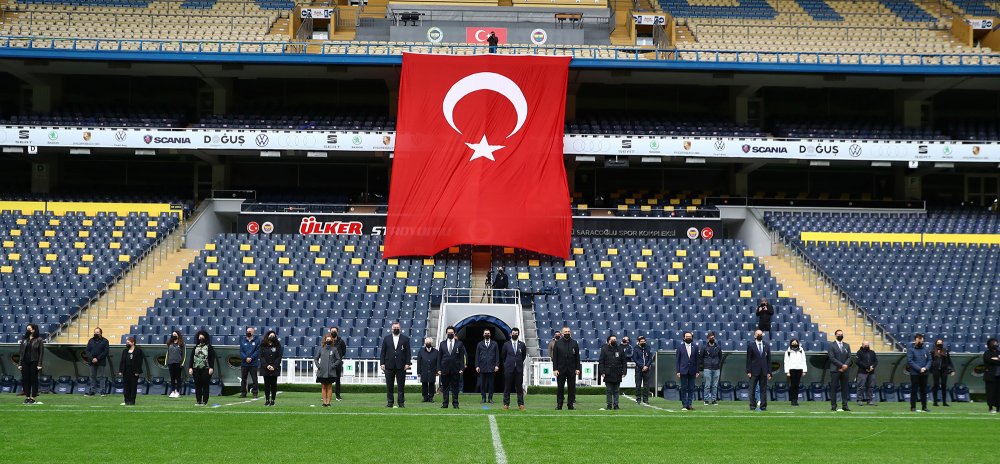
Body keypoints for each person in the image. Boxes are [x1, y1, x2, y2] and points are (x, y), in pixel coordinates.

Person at [379, 322, 411, 408]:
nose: (396, 329)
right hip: (389, 365)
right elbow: (383, 352)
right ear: (391, 329)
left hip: (401, 366)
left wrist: (408, 363)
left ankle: (401, 403)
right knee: (389, 386)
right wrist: (382, 363)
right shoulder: (386, 339)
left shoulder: (405, 339)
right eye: (394, 327)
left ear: (400, 328)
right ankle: (390, 402)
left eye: (397, 327)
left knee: (401, 386)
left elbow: (408, 352)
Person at [551, 326, 581, 410]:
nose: (567, 333)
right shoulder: (557, 343)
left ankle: (570, 404)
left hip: (571, 369)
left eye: (568, 331)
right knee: (560, 388)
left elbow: (577, 357)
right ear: (562, 333)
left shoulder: (574, 343)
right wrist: (555, 369)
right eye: (566, 331)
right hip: (560, 369)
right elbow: (555, 358)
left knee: (571, 388)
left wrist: (577, 368)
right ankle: (559, 404)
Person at [437, 326, 466, 409]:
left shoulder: (459, 343)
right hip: (444, 369)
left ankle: (455, 404)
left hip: (456, 369)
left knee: (455, 387)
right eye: (448, 333)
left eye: (451, 333)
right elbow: (439, 357)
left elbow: (461, 357)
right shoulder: (442, 343)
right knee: (445, 387)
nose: (450, 334)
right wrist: (438, 369)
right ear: (446, 333)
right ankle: (445, 404)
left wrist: (462, 368)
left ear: (454, 333)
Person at [17, 323, 44, 405]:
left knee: (33, 379)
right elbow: (21, 352)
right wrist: (20, 364)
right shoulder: (24, 339)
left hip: (34, 361)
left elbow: (41, 353)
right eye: (27, 329)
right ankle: (27, 397)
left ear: (34, 330)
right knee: (25, 379)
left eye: (29, 329)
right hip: (25, 362)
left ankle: (33, 397)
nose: (28, 330)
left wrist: (39, 364)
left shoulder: (39, 339)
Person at [188, 330, 216, 406]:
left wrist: (211, 368)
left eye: (202, 336)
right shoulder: (195, 347)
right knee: (197, 385)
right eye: (199, 336)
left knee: (205, 385)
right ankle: (198, 401)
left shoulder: (209, 347)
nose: (200, 337)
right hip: (196, 369)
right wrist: (190, 367)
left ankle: (205, 401)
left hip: (206, 369)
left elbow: (212, 358)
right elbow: (191, 358)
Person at [501, 327, 527, 410]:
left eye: (516, 333)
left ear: (518, 334)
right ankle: (506, 404)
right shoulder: (506, 344)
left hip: (518, 369)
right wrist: (507, 364)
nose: (514, 334)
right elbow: (503, 356)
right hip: (509, 369)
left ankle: (521, 404)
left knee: (519, 387)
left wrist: (518, 363)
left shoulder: (522, 345)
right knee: (507, 387)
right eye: (513, 333)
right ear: (510, 334)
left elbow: (523, 356)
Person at [599, 335, 626, 410]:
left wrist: (624, 372)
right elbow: (601, 362)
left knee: (616, 391)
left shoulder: (620, 349)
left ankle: (616, 405)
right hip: (608, 373)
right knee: (609, 391)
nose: (614, 341)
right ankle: (609, 405)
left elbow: (624, 361)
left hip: (617, 373)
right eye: (612, 339)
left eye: (615, 339)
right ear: (609, 341)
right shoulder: (604, 349)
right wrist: (602, 372)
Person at [746, 329, 770, 411]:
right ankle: (752, 405)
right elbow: (748, 359)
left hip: (764, 371)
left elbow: (769, 360)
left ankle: (763, 406)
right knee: (752, 389)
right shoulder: (751, 345)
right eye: (758, 334)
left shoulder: (766, 345)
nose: (760, 335)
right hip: (753, 371)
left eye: (761, 334)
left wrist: (769, 372)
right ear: (755, 336)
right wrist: (748, 371)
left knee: (763, 389)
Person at [827, 329, 852, 411]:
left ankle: (845, 405)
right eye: (838, 334)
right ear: (835, 335)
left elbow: (849, 357)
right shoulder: (831, 345)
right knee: (834, 388)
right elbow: (832, 358)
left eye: (841, 334)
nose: (840, 335)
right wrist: (842, 365)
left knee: (845, 388)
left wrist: (845, 365)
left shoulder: (847, 345)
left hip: (845, 370)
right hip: (835, 370)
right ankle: (833, 406)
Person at [907, 333, 932, 412]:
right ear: (915, 340)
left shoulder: (926, 350)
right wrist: (919, 369)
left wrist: (925, 368)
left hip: (924, 373)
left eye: (922, 341)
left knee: (924, 391)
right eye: (919, 340)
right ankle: (913, 407)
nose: (921, 342)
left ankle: (924, 407)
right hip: (915, 373)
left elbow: (930, 360)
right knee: (914, 390)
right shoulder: (911, 350)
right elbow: (910, 361)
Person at [675, 331, 700, 411]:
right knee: (684, 388)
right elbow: (677, 360)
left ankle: (689, 404)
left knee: (691, 388)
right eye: (687, 336)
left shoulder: (695, 347)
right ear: (684, 338)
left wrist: (697, 371)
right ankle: (684, 405)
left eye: (690, 336)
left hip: (692, 371)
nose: (688, 338)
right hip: (683, 370)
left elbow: (697, 360)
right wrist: (678, 371)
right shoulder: (680, 347)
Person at [315, 334, 342, 407]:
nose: (328, 341)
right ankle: (324, 403)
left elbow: (338, 359)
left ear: (332, 341)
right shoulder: (321, 348)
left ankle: (328, 402)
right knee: (323, 386)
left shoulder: (334, 349)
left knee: (329, 387)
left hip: (331, 371)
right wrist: (318, 366)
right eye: (327, 340)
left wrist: (333, 366)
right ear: (325, 340)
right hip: (322, 371)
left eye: (330, 340)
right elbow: (316, 358)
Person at [476, 328, 500, 404]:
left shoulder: (495, 344)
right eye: (485, 333)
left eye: (488, 333)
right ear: (483, 334)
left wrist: (497, 365)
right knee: (482, 384)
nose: (487, 334)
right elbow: (477, 356)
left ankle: (490, 398)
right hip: (482, 367)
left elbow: (497, 355)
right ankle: (483, 398)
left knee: (491, 384)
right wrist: (477, 366)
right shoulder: (479, 344)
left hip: (491, 367)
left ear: (490, 334)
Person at [84, 327, 109, 397]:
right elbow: (87, 350)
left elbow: (106, 352)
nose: (96, 333)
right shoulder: (91, 340)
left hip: (101, 361)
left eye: (97, 332)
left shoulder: (105, 341)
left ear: (101, 333)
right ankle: (92, 391)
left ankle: (102, 392)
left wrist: (97, 358)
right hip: (91, 361)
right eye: (95, 332)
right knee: (92, 376)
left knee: (101, 377)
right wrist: (92, 358)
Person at [118, 336, 143, 406]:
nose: (127, 343)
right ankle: (126, 400)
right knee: (126, 386)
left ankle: (132, 401)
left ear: (133, 342)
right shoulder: (125, 351)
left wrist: (137, 371)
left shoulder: (138, 351)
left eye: (128, 342)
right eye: (127, 342)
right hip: (126, 371)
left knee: (133, 386)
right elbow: (122, 361)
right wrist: (121, 370)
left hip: (134, 372)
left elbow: (139, 362)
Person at [260, 330, 282, 406]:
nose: (272, 337)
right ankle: (267, 400)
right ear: (268, 336)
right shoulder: (263, 344)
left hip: (274, 368)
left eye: (273, 335)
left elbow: (279, 356)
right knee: (266, 385)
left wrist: (274, 366)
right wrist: (267, 365)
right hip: (265, 368)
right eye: (270, 335)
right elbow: (261, 356)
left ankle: (273, 400)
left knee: (273, 384)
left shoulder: (277, 345)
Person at [931, 339, 955, 407]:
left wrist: (953, 370)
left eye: (941, 343)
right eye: (938, 343)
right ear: (936, 344)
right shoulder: (933, 351)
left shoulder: (945, 351)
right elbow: (930, 361)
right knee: (936, 385)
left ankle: (944, 402)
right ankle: (935, 402)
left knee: (944, 385)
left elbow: (949, 361)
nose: (940, 344)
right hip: (935, 370)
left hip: (944, 370)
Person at [783, 338, 807, 406]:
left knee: (797, 385)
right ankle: (792, 399)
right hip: (791, 370)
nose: (794, 344)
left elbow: (804, 360)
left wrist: (804, 370)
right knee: (792, 385)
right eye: (793, 343)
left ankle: (796, 400)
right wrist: (787, 371)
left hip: (799, 369)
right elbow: (786, 362)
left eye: (795, 342)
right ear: (790, 343)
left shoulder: (801, 350)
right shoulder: (788, 352)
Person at [701, 331, 722, 406]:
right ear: (707, 339)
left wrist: (717, 363)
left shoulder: (718, 347)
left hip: (716, 368)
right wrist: (705, 364)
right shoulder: (704, 347)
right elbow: (701, 357)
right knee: (707, 385)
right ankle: (706, 400)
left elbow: (720, 357)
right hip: (707, 368)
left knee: (715, 385)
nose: (712, 338)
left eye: (713, 337)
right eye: (710, 337)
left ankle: (714, 400)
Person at [239, 327, 259, 399]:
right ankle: (243, 393)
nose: (248, 332)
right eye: (247, 331)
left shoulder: (257, 340)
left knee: (254, 379)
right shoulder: (242, 340)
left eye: (250, 331)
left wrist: (251, 358)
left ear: (253, 332)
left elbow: (257, 351)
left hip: (253, 363)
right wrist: (246, 358)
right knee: (243, 379)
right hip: (244, 363)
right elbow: (241, 351)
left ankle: (255, 393)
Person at [855, 340, 877, 406]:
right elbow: (858, 362)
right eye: (865, 345)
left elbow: (876, 361)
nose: (866, 346)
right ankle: (859, 400)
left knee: (871, 386)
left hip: (871, 372)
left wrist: (872, 367)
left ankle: (870, 400)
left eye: (867, 345)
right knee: (861, 386)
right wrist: (867, 367)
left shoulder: (872, 352)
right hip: (862, 372)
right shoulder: (859, 352)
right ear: (862, 345)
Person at [417, 337, 439, 403]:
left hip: (433, 370)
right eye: (427, 342)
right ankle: (425, 397)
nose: (428, 343)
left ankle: (431, 397)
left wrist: (437, 370)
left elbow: (438, 362)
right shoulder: (421, 351)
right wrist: (418, 372)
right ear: (425, 343)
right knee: (424, 384)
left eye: (429, 342)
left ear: (432, 343)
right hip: (424, 370)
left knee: (432, 384)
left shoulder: (436, 351)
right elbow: (419, 362)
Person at [633, 335, 653, 404]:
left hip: (647, 370)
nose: (643, 342)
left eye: (644, 341)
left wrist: (647, 366)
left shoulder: (648, 348)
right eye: (641, 341)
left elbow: (650, 358)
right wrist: (642, 366)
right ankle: (638, 399)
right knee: (638, 385)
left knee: (646, 385)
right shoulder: (636, 348)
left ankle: (646, 399)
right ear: (638, 342)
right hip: (639, 369)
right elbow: (635, 359)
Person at [165, 329, 185, 398]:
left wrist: (182, 363)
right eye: (172, 335)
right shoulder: (169, 343)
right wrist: (166, 362)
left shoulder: (182, 344)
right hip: (171, 363)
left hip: (178, 363)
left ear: (178, 336)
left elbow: (184, 355)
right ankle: (172, 391)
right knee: (172, 378)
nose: (173, 336)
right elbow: (167, 353)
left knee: (178, 378)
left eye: (175, 335)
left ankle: (178, 391)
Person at [329, 326, 347, 401]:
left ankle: (337, 395)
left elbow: (343, 351)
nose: (333, 332)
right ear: (330, 332)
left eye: (335, 331)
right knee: (327, 380)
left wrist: (338, 359)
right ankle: (326, 395)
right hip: (329, 362)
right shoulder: (327, 340)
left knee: (337, 379)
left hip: (338, 363)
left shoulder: (341, 341)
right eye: (332, 331)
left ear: (337, 332)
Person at [984, 338, 1000, 414]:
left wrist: (995, 359)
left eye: (996, 343)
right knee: (990, 392)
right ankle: (990, 407)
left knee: (998, 392)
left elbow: (994, 361)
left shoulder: (999, 352)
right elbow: (988, 360)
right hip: (990, 376)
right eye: (993, 343)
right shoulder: (986, 353)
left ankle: (998, 407)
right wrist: (997, 359)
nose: (995, 344)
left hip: (998, 376)